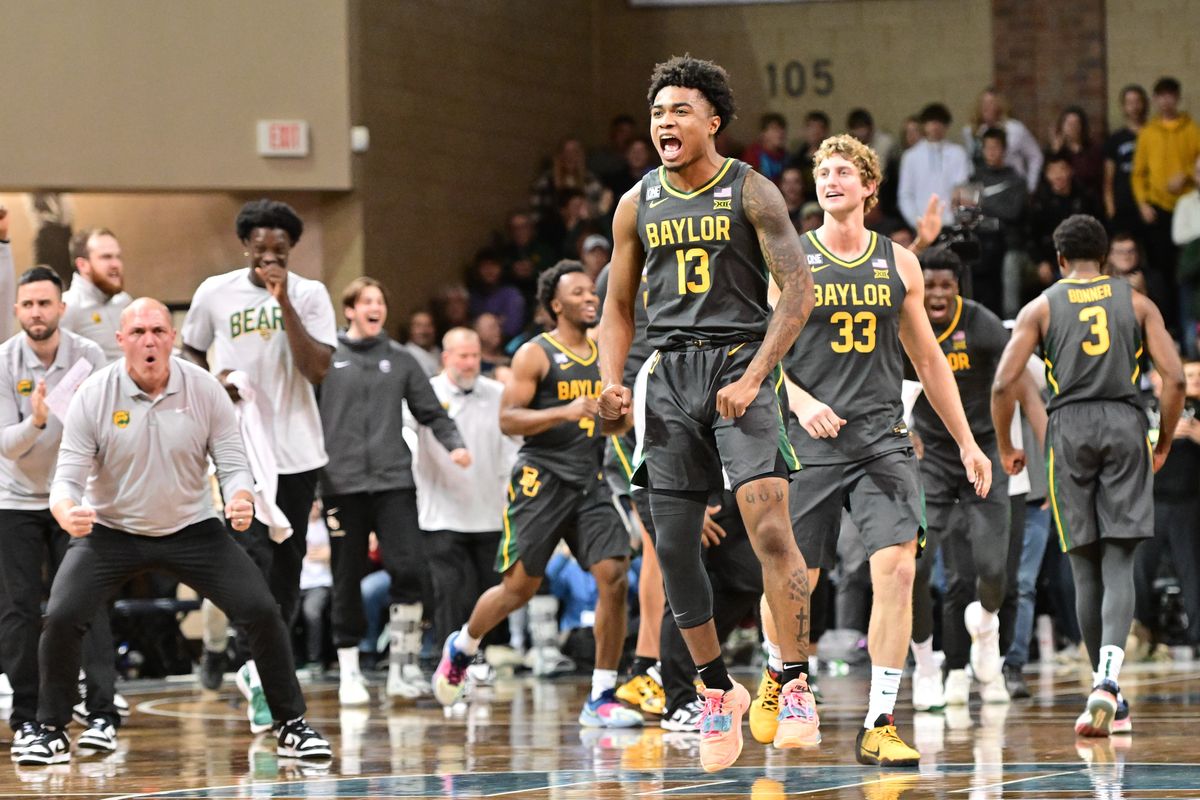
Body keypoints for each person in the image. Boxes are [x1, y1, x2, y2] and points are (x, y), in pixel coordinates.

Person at [598, 55, 819, 773]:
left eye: (680, 110)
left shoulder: (750, 191)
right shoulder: (636, 202)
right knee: (671, 543)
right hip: (668, 377)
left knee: (769, 525)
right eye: (659, 111)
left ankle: (793, 682)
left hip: (737, 366)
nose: (666, 121)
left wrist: (758, 374)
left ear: (713, 121)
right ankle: (715, 690)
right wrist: (611, 384)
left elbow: (798, 291)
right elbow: (618, 308)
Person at [15, 299, 331, 765]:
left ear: (172, 338)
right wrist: (65, 510)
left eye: (159, 330)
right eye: (139, 331)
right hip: (111, 530)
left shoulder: (203, 389)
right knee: (62, 614)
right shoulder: (94, 394)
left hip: (193, 528)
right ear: (121, 340)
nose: (149, 340)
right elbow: (67, 477)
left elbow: (233, 462)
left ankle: (291, 724)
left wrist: (240, 497)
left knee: (262, 609)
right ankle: (50, 729)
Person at [766, 134, 991, 767]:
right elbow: (760, 355)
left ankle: (881, 719)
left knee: (896, 570)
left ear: (869, 187)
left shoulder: (901, 264)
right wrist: (802, 401)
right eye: (822, 172)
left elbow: (929, 358)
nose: (830, 180)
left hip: (883, 441)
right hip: (810, 439)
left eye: (843, 172)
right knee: (795, 580)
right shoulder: (790, 259)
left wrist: (969, 442)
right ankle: (782, 678)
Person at [992, 214, 1184, 737]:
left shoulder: (1041, 306)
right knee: (1120, 559)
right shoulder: (1138, 303)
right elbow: (1174, 380)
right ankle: (1109, 687)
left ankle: (1100, 688)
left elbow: (1003, 382)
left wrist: (1008, 445)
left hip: (1068, 427)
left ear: (1058, 259)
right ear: (1104, 257)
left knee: (1084, 566)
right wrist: (1162, 438)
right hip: (1125, 423)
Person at [434, 261, 639, 731]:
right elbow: (508, 420)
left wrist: (619, 414)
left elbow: (616, 425)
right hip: (540, 480)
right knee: (518, 590)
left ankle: (601, 694)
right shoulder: (534, 354)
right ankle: (463, 645)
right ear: (555, 305)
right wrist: (566, 411)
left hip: (589, 481)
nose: (592, 299)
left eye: (594, 293)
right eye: (581, 293)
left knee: (613, 572)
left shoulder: (606, 354)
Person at [181, 199, 337, 732]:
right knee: (249, 561)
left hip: (297, 450)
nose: (269, 256)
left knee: (288, 568)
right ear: (245, 244)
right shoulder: (213, 293)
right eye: (260, 246)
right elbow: (191, 351)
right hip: (238, 448)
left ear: (291, 250)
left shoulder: (311, 295)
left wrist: (284, 301)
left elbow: (316, 369)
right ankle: (257, 667)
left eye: (280, 249)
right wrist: (212, 387)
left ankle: (261, 670)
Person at [905, 247, 1045, 711]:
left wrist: (1020, 444)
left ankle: (985, 627)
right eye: (932, 284)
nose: (939, 293)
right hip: (932, 459)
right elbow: (882, 379)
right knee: (917, 569)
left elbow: (1017, 382)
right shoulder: (903, 319)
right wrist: (902, 429)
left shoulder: (982, 324)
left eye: (948, 284)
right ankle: (926, 665)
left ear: (958, 288)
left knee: (993, 569)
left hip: (982, 454)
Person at [318, 277, 468, 704]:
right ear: (349, 310)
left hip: (393, 482)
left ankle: (402, 667)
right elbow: (307, 420)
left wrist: (455, 445)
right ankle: (349, 671)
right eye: (366, 301)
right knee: (346, 576)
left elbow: (431, 412)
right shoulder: (326, 358)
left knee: (410, 570)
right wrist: (314, 482)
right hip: (341, 485)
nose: (374, 307)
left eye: (380, 301)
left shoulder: (401, 359)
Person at [0, 267, 116, 757]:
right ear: (16, 310)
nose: (36, 313)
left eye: (44, 303)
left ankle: (102, 713)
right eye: (27, 304)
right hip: (16, 500)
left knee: (85, 604)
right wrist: (38, 422)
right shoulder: (4, 361)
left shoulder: (86, 356)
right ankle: (28, 717)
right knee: (18, 610)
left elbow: (101, 432)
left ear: (61, 308)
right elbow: (6, 445)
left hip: (74, 498)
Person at [413, 327, 518, 650]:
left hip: (488, 510)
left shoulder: (497, 392)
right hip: (441, 512)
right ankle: (449, 659)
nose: (470, 363)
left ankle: (485, 657)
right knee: (449, 592)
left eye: (475, 356)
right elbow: (406, 438)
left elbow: (512, 447)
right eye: (463, 356)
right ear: (446, 358)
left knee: (489, 590)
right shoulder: (425, 393)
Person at [1132, 77, 1200, 333]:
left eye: (1171, 95)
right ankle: (1166, 327)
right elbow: (1138, 174)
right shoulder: (1148, 133)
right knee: (1161, 273)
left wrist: (1186, 174)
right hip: (1157, 211)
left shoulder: (1192, 130)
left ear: (1178, 98)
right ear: (1156, 100)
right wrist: (1142, 204)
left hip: (1188, 211)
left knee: (1186, 275)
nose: (1166, 101)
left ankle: (1188, 330)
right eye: (1161, 96)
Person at [60, 228, 132, 362]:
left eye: (118, 257)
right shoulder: (67, 307)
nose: (116, 264)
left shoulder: (124, 301)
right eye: (106, 257)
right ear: (82, 265)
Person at [899, 103, 970, 229]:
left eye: (940, 122)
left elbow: (961, 189)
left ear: (946, 126)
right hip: (920, 225)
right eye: (931, 122)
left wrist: (956, 219)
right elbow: (905, 194)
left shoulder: (958, 153)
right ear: (924, 125)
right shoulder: (910, 156)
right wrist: (916, 221)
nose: (935, 126)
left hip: (951, 224)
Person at [964, 88, 1043, 194]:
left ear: (999, 106)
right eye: (983, 103)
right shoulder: (971, 131)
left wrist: (1030, 186)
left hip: (1012, 187)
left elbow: (1035, 156)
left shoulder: (1015, 129)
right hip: (984, 188)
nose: (986, 107)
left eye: (991, 103)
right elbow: (970, 162)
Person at [1103, 85, 1149, 236]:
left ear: (1144, 104)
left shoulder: (1154, 135)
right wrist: (1110, 207)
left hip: (1150, 203)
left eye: (1137, 101)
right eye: (1129, 102)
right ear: (1123, 107)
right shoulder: (1116, 139)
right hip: (1123, 205)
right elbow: (1108, 177)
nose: (1134, 107)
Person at [1050, 106, 1105, 201]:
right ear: (1062, 126)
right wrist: (1056, 152)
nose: (1072, 127)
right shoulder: (1056, 152)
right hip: (1064, 203)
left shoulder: (1094, 150)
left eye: (1076, 123)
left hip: (1090, 202)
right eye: (1069, 124)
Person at [741, 113, 789, 185]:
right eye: (775, 129)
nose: (780, 133)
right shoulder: (753, 154)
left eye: (782, 128)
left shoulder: (785, 156)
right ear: (763, 134)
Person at [402, 310, 441, 378]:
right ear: (410, 329)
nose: (424, 331)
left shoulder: (439, 351)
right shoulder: (404, 355)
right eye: (418, 326)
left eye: (428, 325)